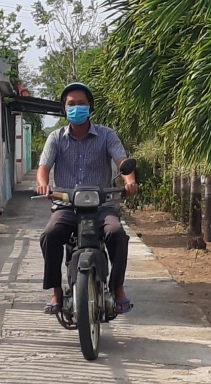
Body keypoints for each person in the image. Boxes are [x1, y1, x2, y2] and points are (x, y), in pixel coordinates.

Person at [35, 82, 139, 315]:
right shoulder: (56, 138)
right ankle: (57, 291)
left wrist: (129, 180)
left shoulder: (106, 135)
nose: (77, 108)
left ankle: (118, 287)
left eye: (81, 104)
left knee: (117, 233)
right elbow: (43, 167)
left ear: (90, 106)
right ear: (64, 108)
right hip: (66, 205)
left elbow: (122, 162)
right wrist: (43, 184)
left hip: (101, 206)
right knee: (49, 235)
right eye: (71, 104)